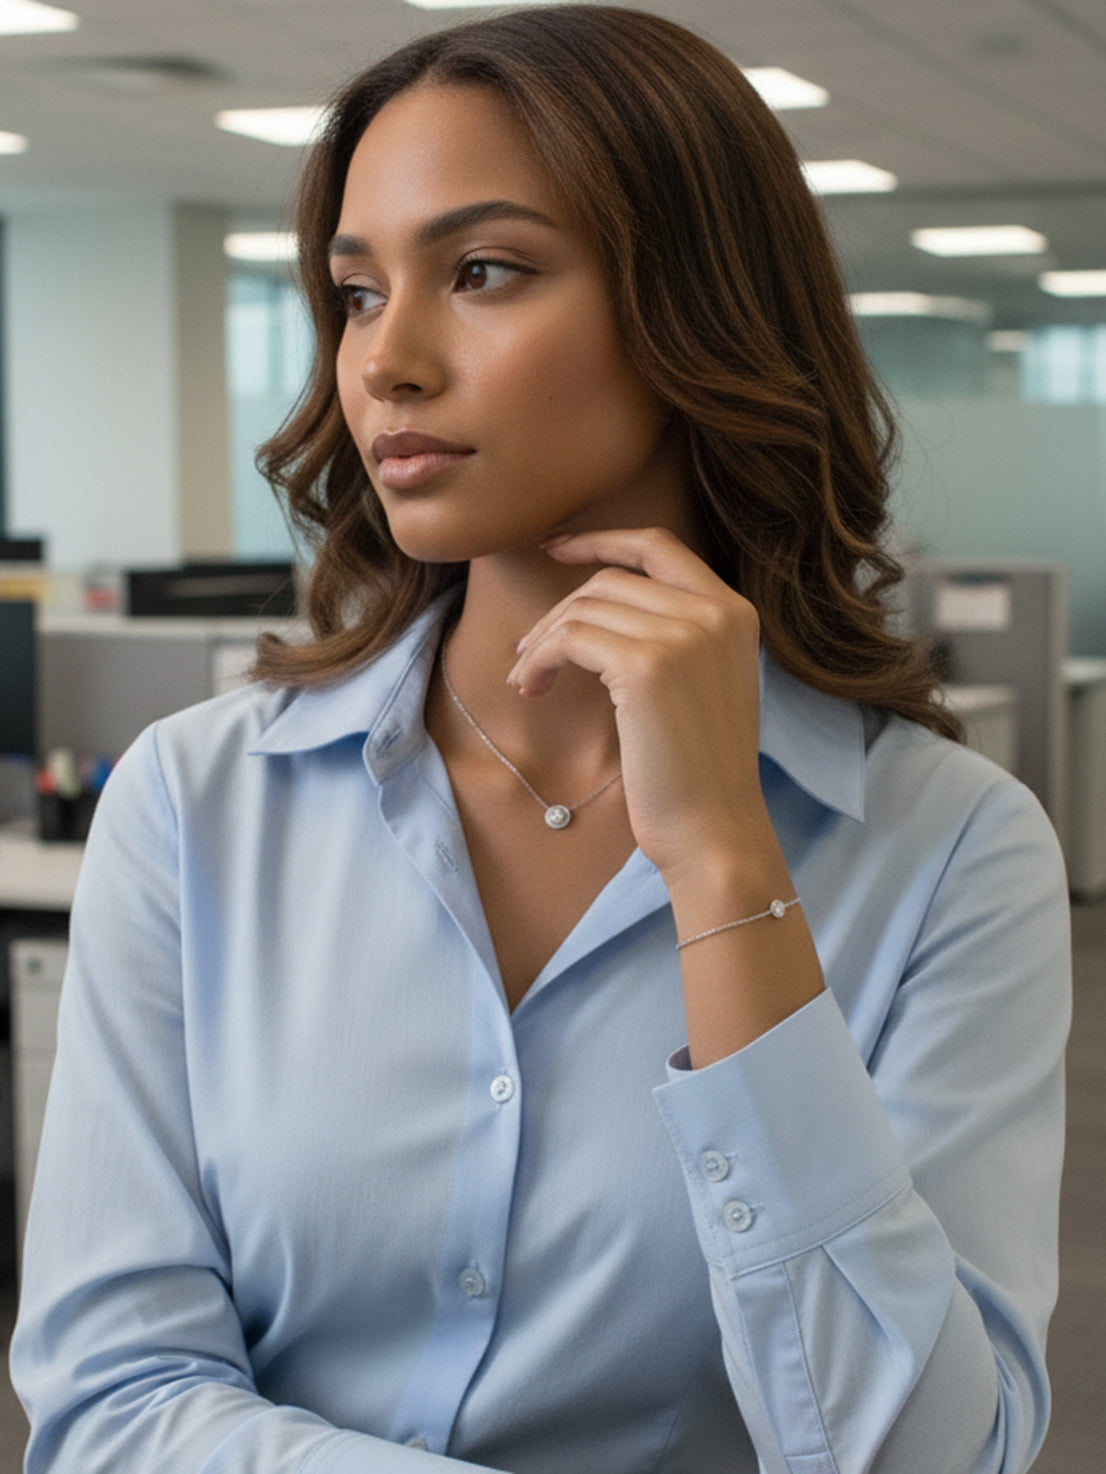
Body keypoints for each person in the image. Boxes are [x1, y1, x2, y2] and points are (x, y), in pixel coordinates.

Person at [11, 7, 1070, 1472]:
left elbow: (928, 1455)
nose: (384, 361)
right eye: (357, 292)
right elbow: (109, 1409)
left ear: (696, 306)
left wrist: (721, 864)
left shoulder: (950, 850)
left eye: (484, 272)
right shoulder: (194, 804)